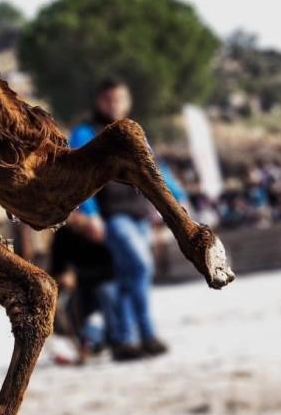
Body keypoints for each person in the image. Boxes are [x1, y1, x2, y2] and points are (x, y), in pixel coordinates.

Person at [69, 78, 186, 360]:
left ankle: (128, 340)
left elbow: (155, 169)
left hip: (138, 214)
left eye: (120, 99)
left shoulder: (133, 133)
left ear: (128, 101)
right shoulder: (85, 133)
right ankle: (141, 334)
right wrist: (91, 215)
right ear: (100, 101)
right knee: (140, 266)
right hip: (111, 216)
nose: (115, 104)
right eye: (109, 99)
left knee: (128, 276)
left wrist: (175, 198)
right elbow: (79, 177)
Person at [49, 220, 122, 361]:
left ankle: (115, 339)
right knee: (65, 305)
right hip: (81, 286)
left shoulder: (100, 231)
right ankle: (82, 344)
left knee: (107, 294)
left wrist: (77, 276)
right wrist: (61, 277)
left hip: (104, 282)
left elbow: (110, 271)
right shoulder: (64, 234)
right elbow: (56, 266)